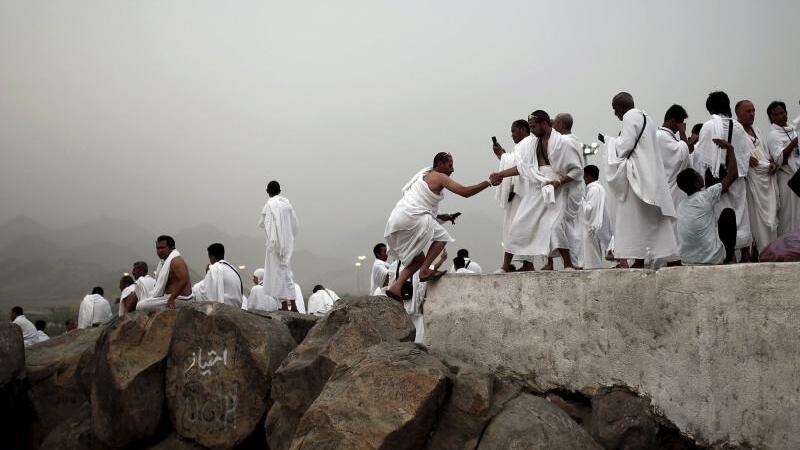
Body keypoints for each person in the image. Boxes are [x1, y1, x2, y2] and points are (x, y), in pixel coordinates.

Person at [383, 152, 492, 301]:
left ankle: (396, 287)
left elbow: (421, 204)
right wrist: (488, 182)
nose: (452, 170)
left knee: (418, 259)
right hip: (412, 217)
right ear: (440, 164)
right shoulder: (439, 176)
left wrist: (444, 216)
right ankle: (424, 271)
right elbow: (465, 192)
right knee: (442, 238)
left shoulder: (424, 174)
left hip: (398, 217)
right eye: (450, 165)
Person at [490, 110, 584, 271]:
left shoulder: (563, 143)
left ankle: (568, 265)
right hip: (537, 188)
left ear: (544, 123)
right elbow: (523, 167)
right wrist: (501, 174)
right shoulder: (533, 144)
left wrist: (559, 181)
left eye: (533, 127)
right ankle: (505, 266)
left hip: (557, 190)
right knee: (518, 223)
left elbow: (577, 171)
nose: (531, 131)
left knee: (554, 227)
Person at [600, 92, 678, 267]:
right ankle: (664, 257)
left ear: (622, 106)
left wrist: (609, 141)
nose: (615, 113)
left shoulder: (629, 116)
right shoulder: (647, 117)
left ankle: (638, 258)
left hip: (637, 176)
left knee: (633, 219)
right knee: (650, 219)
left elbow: (625, 146)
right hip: (650, 174)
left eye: (615, 108)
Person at [693, 91, 752, 261]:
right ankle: (745, 256)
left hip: (717, 183)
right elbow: (746, 154)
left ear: (710, 109)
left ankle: (727, 256)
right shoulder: (739, 127)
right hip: (737, 180)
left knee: (720, 219)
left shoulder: (709, 127)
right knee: (740, 216)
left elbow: (701, 159)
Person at [675, 137, 740, 265]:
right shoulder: (706, 196)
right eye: (698, 174)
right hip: (712, 259)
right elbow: (733, 174)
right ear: (696, 183)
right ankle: (729, 257)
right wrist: (730, 149)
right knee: (728, 214)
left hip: (688, 260)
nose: (701, 175)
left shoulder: (681, 205)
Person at [736, 100, 778, 256]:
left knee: (771, 223)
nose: (752, 114)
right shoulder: (736, 132)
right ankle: (760, 252)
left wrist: (772, 163)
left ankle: (772, 251)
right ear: (738, 114)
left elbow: (766, 155)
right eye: (748, 111)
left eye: (753, 110)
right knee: (755, 220)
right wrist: (745, 159)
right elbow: (731, 155)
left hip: (766, 182)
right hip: (751, 184)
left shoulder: (758, 131)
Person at [492, 120, 535, 270]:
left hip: (523, 192)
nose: (511, 134)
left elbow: (521, 166)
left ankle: (506, 266)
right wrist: (502, 155)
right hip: (518, 192)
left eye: (513, 131)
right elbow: (514, 162)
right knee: (519, 227)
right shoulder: (522, 145)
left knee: (514, 228)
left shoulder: (528, 143)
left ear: (522, 129)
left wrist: (502, 157)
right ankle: (527, 263)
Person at [258, 181, 300, 312]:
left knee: (278, 274)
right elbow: (295, 224)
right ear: (279, 191)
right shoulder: (287, 204)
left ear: (267, 191)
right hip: (286, 245)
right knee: (287, 273)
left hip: (274, 245)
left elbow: (264, 223)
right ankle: (292, 304)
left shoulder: (269, 205)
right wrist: (288, 238)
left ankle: (285, 306)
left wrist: (274, 239)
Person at [765, 100, 800, 237]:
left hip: (798, 176)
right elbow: (780, 160)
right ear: (771, 118)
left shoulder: (792, 129)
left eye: (782, 112)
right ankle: (786, 244)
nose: (781, 116)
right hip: (787, 180)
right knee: (787, 215)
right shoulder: (773, 135)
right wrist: (794, 143)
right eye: (776, 114)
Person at [137, 235, 193, 311]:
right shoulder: (164, 262)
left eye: (162, 248)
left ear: (171, 247)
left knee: (140, 306)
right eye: (158, 248)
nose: (159, 251)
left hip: (181, 299)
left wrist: (172, 298)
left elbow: (184, 280)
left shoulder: (176, 260)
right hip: (171, 297)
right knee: (144, 300)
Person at [656, 104, 693, 211]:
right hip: (668, 190)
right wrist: (682, 132)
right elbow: (683, 156)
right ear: (673, 121)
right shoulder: (661, 136)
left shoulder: (666, 137)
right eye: (681, 123)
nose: (683, 125)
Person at [580, 165, 613, 269]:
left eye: (585, 176)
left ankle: (592, 268)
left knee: (592, 253)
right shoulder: (598, 188)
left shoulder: (595, 189)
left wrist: (580, 201)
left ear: (589, 176)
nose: (584, 179)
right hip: (597, 226)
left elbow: (590, 210)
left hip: (592, 227)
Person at [192, 243, 244, 307]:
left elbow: (204, 292)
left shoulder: (214, 269)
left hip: (225, 308)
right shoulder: (233, 269)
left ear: (212, 257)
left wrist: (194, 289)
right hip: (237, 307)